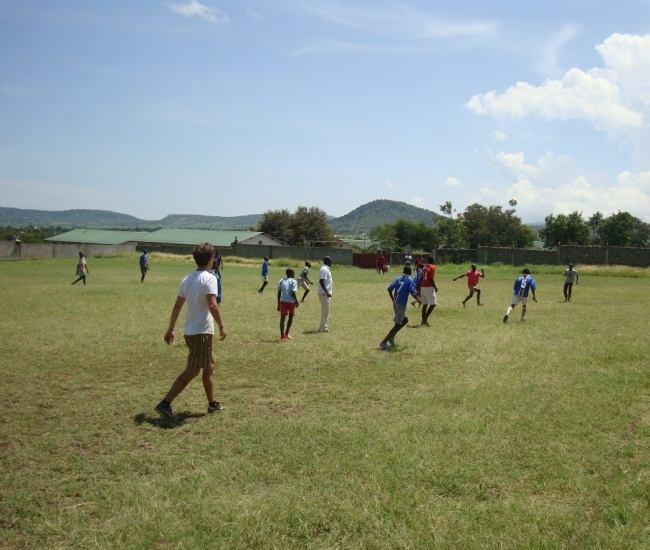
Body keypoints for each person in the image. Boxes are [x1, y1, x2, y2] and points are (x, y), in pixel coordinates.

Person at [155, 243, 227, 418]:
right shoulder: (210, 278)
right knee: (193, 370)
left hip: (192, 331)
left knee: (209, 366)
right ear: (211, 259)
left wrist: (171, 328)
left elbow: (177, 305)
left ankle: (212, 404)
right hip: (201, 332)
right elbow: (212, 304)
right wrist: (222, 326)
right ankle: (165, 404)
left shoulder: (187, 279)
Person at [380, 266, 420, 350]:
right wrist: (418, 300)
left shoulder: (398, 278)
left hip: (395, 302)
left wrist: (392, 299)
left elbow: (389, 289)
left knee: (404, 320)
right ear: (410, 273)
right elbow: (413, 292)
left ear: (403, 272)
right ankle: (384, 342)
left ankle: (391, 337)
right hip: (401, 304)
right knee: (398, 324)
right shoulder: (410, 280)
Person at [277, 268, 300, 341]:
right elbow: (293, 292)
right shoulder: (294, 281)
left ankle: (282, 336)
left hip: (283, 301)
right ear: (292, 274)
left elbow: (279, 293)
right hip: (291, 302)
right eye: (294, 273)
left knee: (282, 319)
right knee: (290, 317)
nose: (294, 274)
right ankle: (286, 334)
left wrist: (278, 304)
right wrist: (296, 301)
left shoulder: (281, 280)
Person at [419, 256, 438, 326]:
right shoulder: (433, 267)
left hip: (423, 286)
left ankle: (423, 320)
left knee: (425, 304)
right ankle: (424, 320)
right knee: (433, 304)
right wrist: (435, 287)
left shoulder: (424, 267)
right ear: (432, 261)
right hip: (429, 287)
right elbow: (431, 278)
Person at [317, 256, 333, 332]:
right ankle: (324, 327)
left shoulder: (325, 269)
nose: (331, 263)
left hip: (324, 293)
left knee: (324, 310)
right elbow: (321, 281)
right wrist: (327, 292)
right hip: (324, 293)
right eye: (330, 261)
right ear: (328, 261)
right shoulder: (324, 269)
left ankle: (321, 326)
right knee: (325, 311)